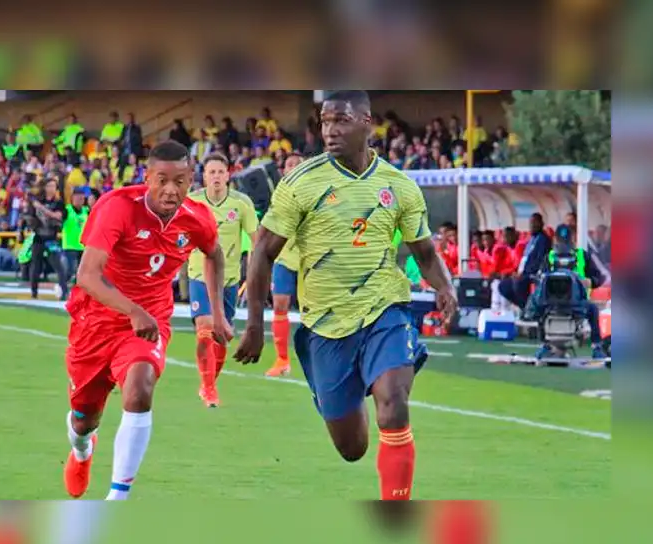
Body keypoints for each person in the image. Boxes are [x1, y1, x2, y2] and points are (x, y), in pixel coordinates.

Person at [234, 91, 458, 501]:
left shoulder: (399, 186)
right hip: (327, 326)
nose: (330, 130)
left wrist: (445, 288)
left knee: (393, 404)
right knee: (352, 448)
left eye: (340, 120)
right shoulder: (301, 183)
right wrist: (253, 326)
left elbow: (425, 251)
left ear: (367, 122)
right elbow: (263, 251)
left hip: (385, 309)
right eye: (324, 122)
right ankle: (357, 387)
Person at [62, 140, 231, 500]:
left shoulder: (197, 217)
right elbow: (87, 275)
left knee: (139, 391)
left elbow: (214, 255)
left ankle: (117, 498)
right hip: (95, 323)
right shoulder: (117, 207)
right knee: (82, 419)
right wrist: (133, 311)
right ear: (147, 177)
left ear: (191, 180)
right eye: (162, 180)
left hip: (149, 323)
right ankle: (81, 450)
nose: (171, 190)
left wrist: (218, 314)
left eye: (181, 181)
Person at [185, 153, 258, 407]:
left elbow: (256, 241)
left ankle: (209, 384)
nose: (216, 176)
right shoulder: (192, 202)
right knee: (205, 326)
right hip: (198, 274)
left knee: (222, 335)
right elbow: (176, 235)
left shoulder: (242, 204)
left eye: (220, 172)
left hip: (229, 280)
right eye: (211, 172)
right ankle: (208, 388)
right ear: (203, 176)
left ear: (228, 175)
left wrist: (258, 274)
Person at [528, 224, 607, 360]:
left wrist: (590, 281)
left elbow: (598, 277)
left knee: (593, 309)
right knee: (539, 310)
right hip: (551, 302)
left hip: (577, 303)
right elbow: (538, 277)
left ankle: (596, 347)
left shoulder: (583, 255)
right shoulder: (549, 257)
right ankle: (545, 345)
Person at [265, 151, 304, 377]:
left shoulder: (315, 193)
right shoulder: (278, 196)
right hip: (284, 258)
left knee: (313, 311)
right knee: (280, 305)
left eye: (298, 164)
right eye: (289, 164)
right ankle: (282, 360)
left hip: (308, 259)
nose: (293, 167)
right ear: (284, 171)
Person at [498, 212, 551, 311]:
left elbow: (541, 260)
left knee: (518, 283)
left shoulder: (543, 240)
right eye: (531, 223)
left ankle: (529, 309)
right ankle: (525, 306)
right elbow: (524, 259)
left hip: (533, 273)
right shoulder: (531, 240)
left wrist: (523, 273)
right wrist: (515, 272)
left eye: (535, 222)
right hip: (522, 272)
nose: (532, 225)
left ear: (541, 224)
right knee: (503, 286)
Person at [27, 178, 70, 300]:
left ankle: (64, 291)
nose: (51, 188)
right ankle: (34, 292)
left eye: (53, 186)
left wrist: (41, 207)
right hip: (39, 237)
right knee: (36, 265)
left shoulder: (59, 203)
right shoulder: (38, 201)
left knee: (59, 266)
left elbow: (58, 216)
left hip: (52, 237)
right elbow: (29, 217)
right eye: (49, 186)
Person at [62, 191, 89, 280]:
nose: (79, 200)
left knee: (81, 272)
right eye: (77, 198)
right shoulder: (67, 210)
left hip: (83, 247)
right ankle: (62, 285)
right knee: (69, 270)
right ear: (72, 198)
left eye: (81, 198)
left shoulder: (87, 211)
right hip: (70, 246)